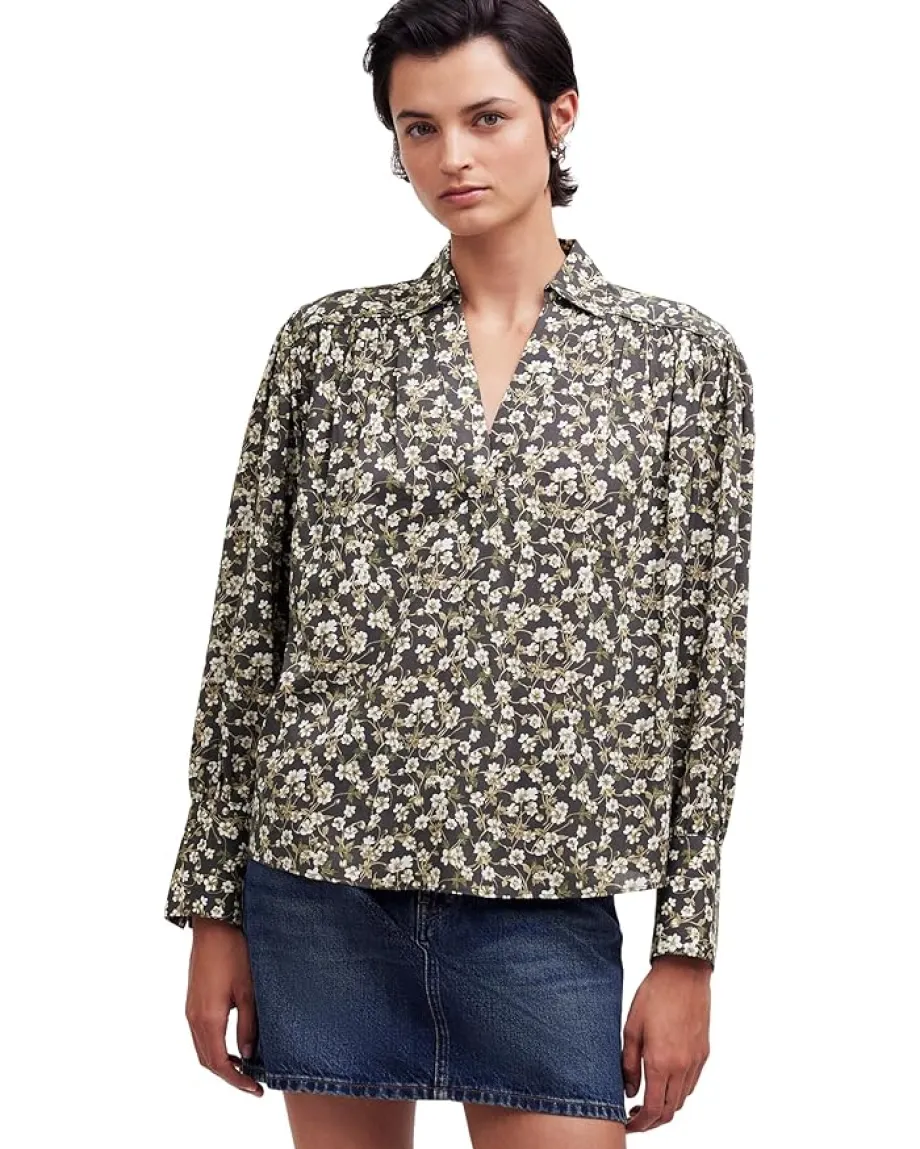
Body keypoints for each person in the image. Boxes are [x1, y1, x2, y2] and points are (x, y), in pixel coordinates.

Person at [164, 1, 756, 1146]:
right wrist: (210, 908)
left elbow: (707, 666)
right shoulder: (328, 348)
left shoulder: (679, 362)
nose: (452, 157)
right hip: (319, 884)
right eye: (418, 127)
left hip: (542, 898)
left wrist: (685, 949)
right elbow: (247, 636)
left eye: (486, 118)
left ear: (559, 115)